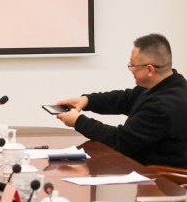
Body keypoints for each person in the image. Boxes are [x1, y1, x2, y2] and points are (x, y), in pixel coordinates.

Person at [56, 34, 187, 167]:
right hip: (139, 166)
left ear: (150, 69)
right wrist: (86, 101)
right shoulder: (168, 84)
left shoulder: (164, 106)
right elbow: (123, 99)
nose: (131, 69)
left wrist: (79, 122)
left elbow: (120, 141)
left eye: (133, 65)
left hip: (158, 176)